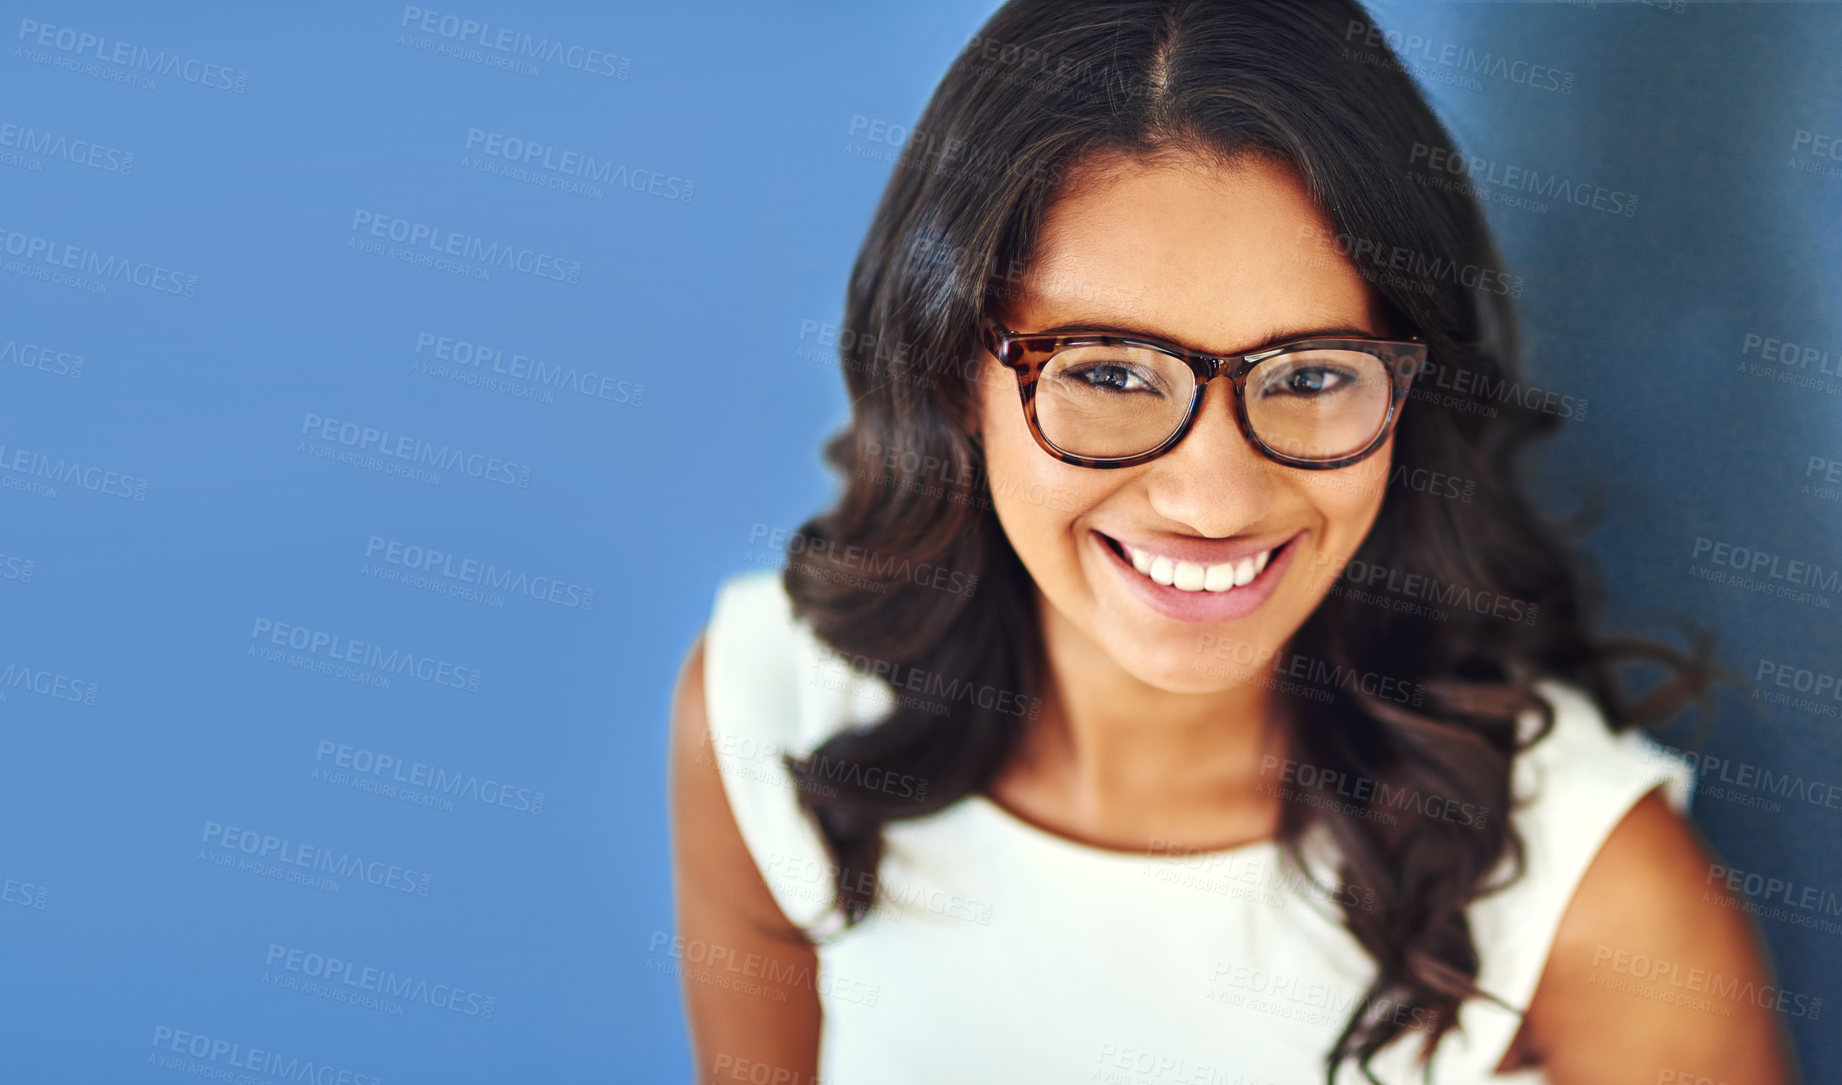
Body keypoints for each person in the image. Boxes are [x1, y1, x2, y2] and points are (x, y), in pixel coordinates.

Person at [668, 1, 1796, 1081]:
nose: (1212, 499)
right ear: (951, 369)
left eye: (1309, 375)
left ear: (1408, 395)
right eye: (1108, 372)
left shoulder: (1597, 900)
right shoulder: (769, 712)